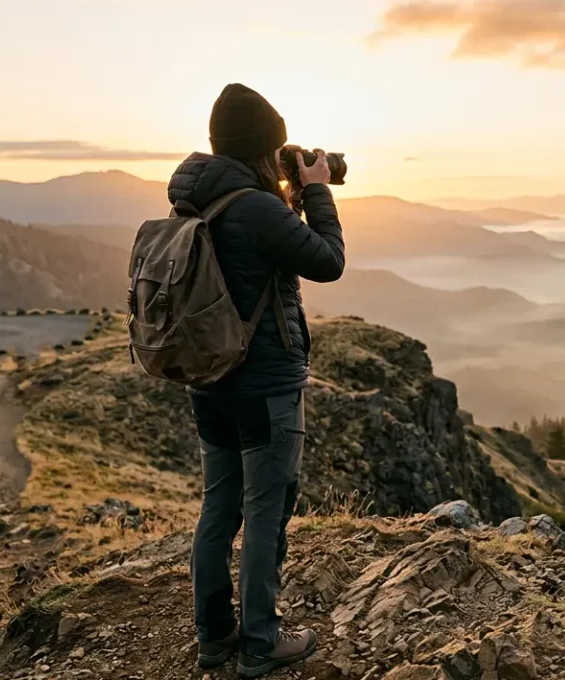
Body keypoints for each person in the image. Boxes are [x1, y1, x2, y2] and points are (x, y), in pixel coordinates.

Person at [169, 83, 344, 678]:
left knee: (218, 510)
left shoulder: (197, 201)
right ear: (264, 148)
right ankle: (262, 644)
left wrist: (285, 194)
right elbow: (328, 261)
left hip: (209, 382)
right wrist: (315, 190)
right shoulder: (257, 208)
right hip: (265, 388)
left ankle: (215, 637)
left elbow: (251, 255)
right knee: (266, 513)